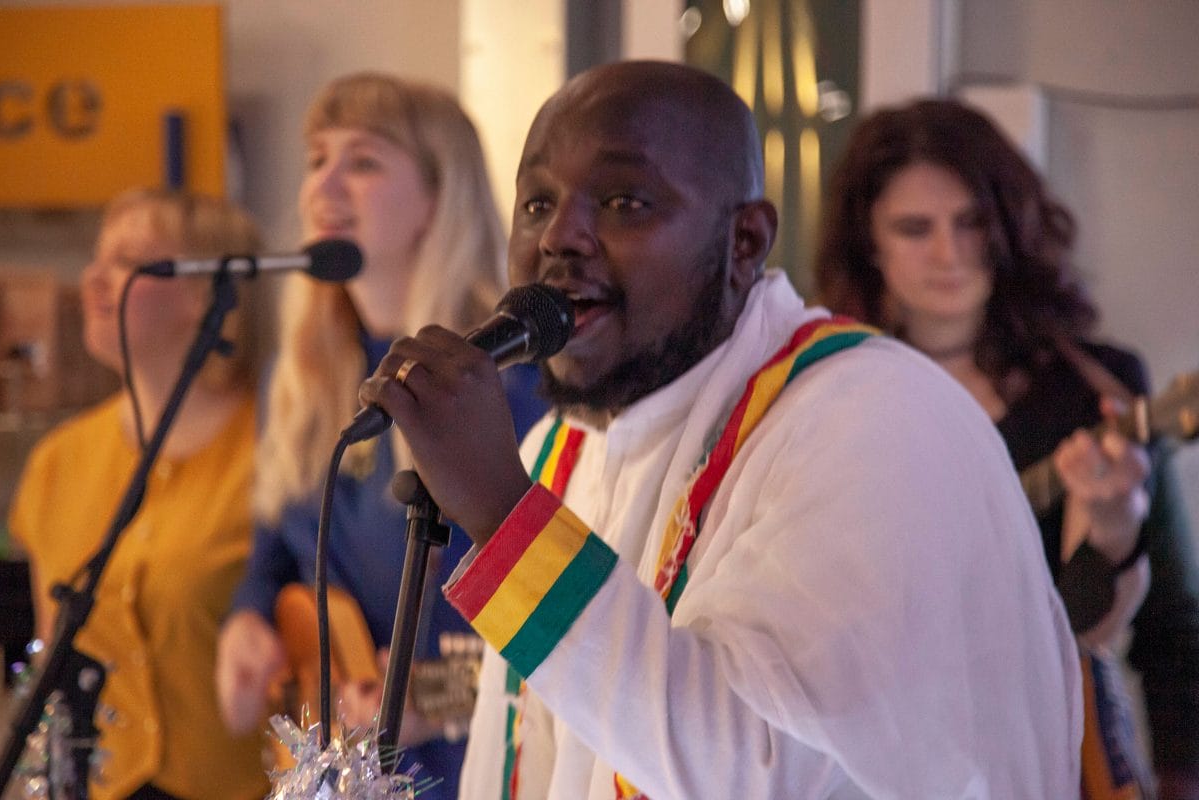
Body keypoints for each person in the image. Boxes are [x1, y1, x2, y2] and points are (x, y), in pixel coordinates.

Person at [357, 60, 1081, 798]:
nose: (560, 238)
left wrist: (505, 517)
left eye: (621, 201)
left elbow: (756, 767)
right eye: (537, 204)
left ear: (743, 241)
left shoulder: (875, 419)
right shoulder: (559, 446)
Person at [815, 97, 1199, 799]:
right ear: (867, 242)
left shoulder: (1093, 391)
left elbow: (1166, 626)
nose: (949, 254)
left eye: (971, 223)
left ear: (1008, 226)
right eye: (914, 228)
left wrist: (1110, 533)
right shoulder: (828, 395)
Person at [214, 72, 544, 799]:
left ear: (437, 199)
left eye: (362, 161)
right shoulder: (296, 379)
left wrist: (440, 696)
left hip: (478, 774)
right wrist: (247, 619)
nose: (323, 186)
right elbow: (274, 549)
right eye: (316, 160)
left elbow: (564, 629)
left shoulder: (512, 385)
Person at [8, 188, 269, 800]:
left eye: (126, 261)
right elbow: (55, 669)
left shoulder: (281, 449)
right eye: (96, 258)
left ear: (207, 295)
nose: (93, 280)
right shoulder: (59, 461)